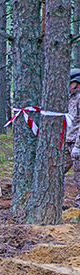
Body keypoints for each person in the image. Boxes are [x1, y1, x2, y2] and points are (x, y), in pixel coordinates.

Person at [64, 68, 80, 207]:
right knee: (58, 170)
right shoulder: (69, 98)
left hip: (76, 142)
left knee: (79, 176)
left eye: (70, 82)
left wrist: (78, 146)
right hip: (66, 141)